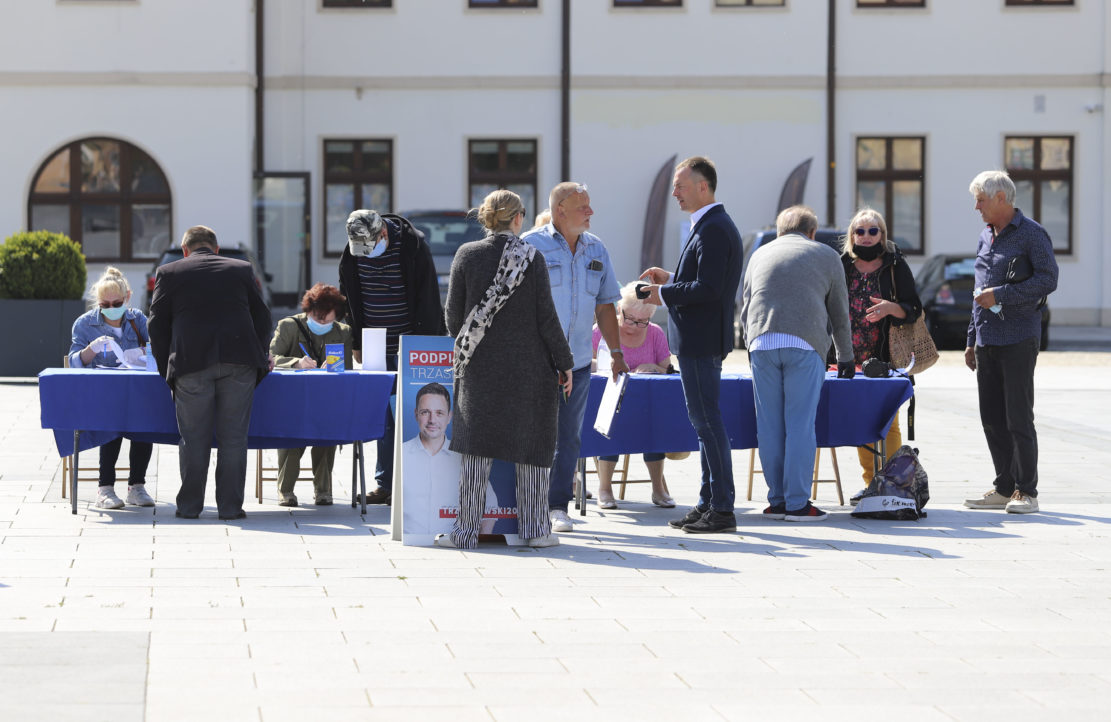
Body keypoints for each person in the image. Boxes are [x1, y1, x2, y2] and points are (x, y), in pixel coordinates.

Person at [438, 189, 575, 549]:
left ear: (486, 218)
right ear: (518, 219)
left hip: (480, 370)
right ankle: (534, 531)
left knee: (476, 452)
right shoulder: (532, 257)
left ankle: (465, 532)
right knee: (530, 449)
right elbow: (547, 319)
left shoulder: (466, 255)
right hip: (529, 374)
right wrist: (564, 363)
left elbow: (454, 320)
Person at [639, 156, 743, 534]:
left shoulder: (713, 227)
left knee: (707, 423)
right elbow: (701, 280)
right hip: (699, 338)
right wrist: (670, 278)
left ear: (704, 186)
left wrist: (661, 294)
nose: (674, 192)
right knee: (705, 424)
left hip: (701, 340)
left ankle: (722, 508)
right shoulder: (708, 225)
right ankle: (708, 503)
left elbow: (709, 289)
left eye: (681, 185)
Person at [148, 225, 273, 520]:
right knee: (233, 438)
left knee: (193, 437)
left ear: (184, 250)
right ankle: (230, 507)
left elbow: (156, 326)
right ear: (216, 249)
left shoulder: (169, 272)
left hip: (190, 363)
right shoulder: (241, 269)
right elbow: (263, 317)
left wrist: (166, 364)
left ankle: (190, 506)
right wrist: (259, 353)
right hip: (239, 362)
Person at [524, 182, 628, 534]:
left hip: (579, 363)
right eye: (583, 206)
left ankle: (556, 507)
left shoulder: (597, 248)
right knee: (534, 433)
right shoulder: (530, 246)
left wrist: (616, 352)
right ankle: (527, 502)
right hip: (536, 362)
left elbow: (605, 306)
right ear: (559, 211)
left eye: (589, 205)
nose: (590, 212)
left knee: (568, 437)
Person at [739, 205, 854, 523]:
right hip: (804, 343)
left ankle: (776, 501)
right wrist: (845, 355)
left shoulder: (759, 254)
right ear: (812, 232)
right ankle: (798, 503)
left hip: (762, 342)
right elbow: (839, 312)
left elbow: (746, 304)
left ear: (779, 231)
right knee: (800, 426)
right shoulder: (826, 255)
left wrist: (750, 345)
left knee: (769, 425)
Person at [963, 170, 1059, 514]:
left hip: (1019, 337)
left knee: (1018, 416)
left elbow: (1048, 280)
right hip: (987, 339)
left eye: (981, 200)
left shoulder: (1032, 234)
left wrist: (1002, 294)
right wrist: (972, 339)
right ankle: (1003, 487)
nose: (977, 207)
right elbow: (978, 293)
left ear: (1001, 198)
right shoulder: (985, 235)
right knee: (991, 417)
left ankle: (1026, 491)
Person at [338, 209, 445, 507]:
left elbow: (428, 297)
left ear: (383, 234)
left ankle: (420, 482)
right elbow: (349, 294)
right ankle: (386, 483)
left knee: (419, 411)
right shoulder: (353, 248)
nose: (366, 255)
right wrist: (357, 340)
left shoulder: (413, 246)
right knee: (383, 416)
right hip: (374, 345)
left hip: (412, 342)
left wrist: (426, 343)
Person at [838, 208, 923, 502]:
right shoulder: (843, 265)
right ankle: (871, 481)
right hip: (847, 355)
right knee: (862, 418)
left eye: (873, 231)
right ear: (852, 235)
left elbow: (914, 308)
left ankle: (894, 484)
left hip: (884, 355)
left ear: (883, 235)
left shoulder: (895, 265)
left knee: (888, 421)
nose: (866, 236)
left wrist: (891, 308)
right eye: (860, 231)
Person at [67, 266, 155, 509]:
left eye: (116, 302)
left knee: (144, 422)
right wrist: (90, 350)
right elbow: (74, 362)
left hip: (135, 392)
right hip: (101, 397)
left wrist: (144, 353)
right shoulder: (84, 324)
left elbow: (158, 350)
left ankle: (136, 486)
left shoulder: (138, 319)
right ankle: (105, 488)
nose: (111, 308)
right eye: (104, 305)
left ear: (127, 297)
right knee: (113, 420)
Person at [590, 281, 676, 510]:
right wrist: (606, 365)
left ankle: (658, 489)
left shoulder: (655, 334)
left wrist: (653, 368)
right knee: (611, 426)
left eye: (642, 322)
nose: (634, 326)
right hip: (608, 402)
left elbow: (668, 370)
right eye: (629, 319)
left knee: (655, 426)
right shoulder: (600, 331)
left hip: (646, 405)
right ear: (620, 309)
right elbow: (583, 364)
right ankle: (605, 488)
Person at [269, 283, 353, 507]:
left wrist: (335, 367)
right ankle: (285, 490)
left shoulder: (342, 332)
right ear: (308, 311)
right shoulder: (289, 326)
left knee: (327, 435)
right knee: (291, 436)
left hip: (325, 400)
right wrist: (296, 363)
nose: (322, 323)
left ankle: (323, 491)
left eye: (327, 320)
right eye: (318, 318)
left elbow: (348, 370)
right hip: (291, 400)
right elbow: (270, 358)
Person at [401, 382, 501, 535]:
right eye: (425, 412)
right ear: (416, 414)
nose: (432, 420)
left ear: (449, 417)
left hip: (452, 545)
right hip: (411, 545)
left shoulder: (464, 458)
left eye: (439, 413)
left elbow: (490, 504)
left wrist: (482, 539)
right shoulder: (401, 455)